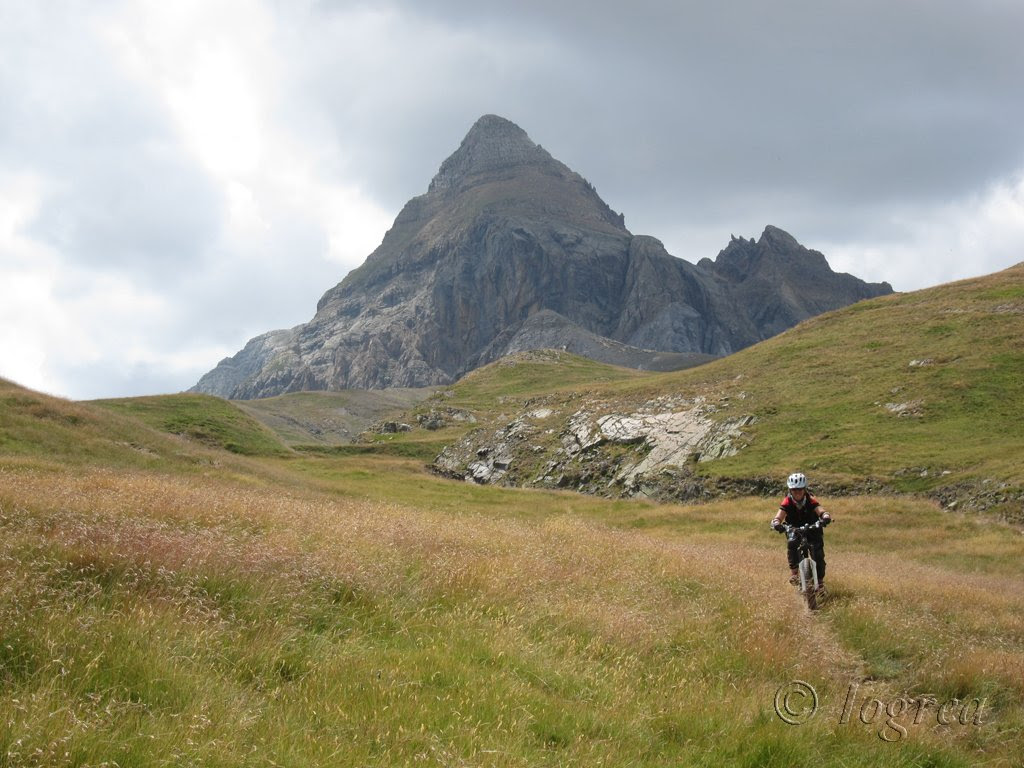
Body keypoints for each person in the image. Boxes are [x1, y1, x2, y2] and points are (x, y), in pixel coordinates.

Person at [770, 472, 832, 591]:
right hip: (794, 528)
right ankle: (794, 574)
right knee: (792, 543)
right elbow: (779, 516)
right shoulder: (787, 502)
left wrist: (825, 516)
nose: (797, 492)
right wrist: (777, 523)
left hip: (812, 528)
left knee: (817, 552)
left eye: (800, 489)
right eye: (794, 490)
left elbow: (820, 510)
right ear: (790, 490)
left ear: (805, 489)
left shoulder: (810, 499)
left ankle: (820, 582)